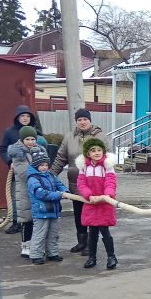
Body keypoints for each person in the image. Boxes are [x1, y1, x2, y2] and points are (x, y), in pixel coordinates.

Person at [51, 108, 108, 255]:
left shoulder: (99, 136)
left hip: (94, 184)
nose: (82, 122)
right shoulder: (70, 137)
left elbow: (107, 158)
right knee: (79, 214)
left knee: (91, 214)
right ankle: (82, 242)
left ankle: (91, 244)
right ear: (76, 122)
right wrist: (50, 175)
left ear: (90, 120)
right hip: (76, 183)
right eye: (79, 120)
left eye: (85, 119)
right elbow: (60, 158)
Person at [0, 105, 43, 235]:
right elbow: (2, 149)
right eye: (22, 116)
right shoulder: (9, 132)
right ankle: (16, 222)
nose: (25, 118)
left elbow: (42, 148)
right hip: (16, 171)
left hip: (34, 170)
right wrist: (9, 161)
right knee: (16, 196)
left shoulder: (37, 133)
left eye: (27, 116)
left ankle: (32, 221)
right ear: (17, 117)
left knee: (32, 195)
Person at [76, 137, 118, 270]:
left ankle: (111, 257)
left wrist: (107, 194)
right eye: (93, 150)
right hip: (91, 203)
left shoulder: (107, 166)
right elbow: (81, 184)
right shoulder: (84, 168)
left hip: (104, 203)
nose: (96, 152)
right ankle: (92, 257)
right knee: (92, 232)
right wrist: (89, 195)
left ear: (103, 151)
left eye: (99, 150)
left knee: (105, 231)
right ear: (88, 153)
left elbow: (110, 182)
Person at [7, 126, 47, 259]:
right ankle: (26, 245)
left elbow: (46, 168)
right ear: (22, 140)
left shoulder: (40, 151)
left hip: (38, 190)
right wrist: (39, 170)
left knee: (38, 220)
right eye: (27, 139)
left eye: (33, 139)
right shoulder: (18, 154)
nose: (30, 142)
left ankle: (37, 245)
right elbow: (24, 173)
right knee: (26, 219)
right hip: (25, 191)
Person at [26, 154, 67, 266]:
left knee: (53, 233)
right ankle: (36, 255)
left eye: (46, 165)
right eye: (41, 165)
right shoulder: (33, 179)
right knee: (40, 233)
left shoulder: (50, 176)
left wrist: (65, 192)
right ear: (35, 166)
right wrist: (59, 195)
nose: (44, 167)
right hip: (41, 212)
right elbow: (41, 194)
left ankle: (52, 253)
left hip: (53, 211)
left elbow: (60, 185)